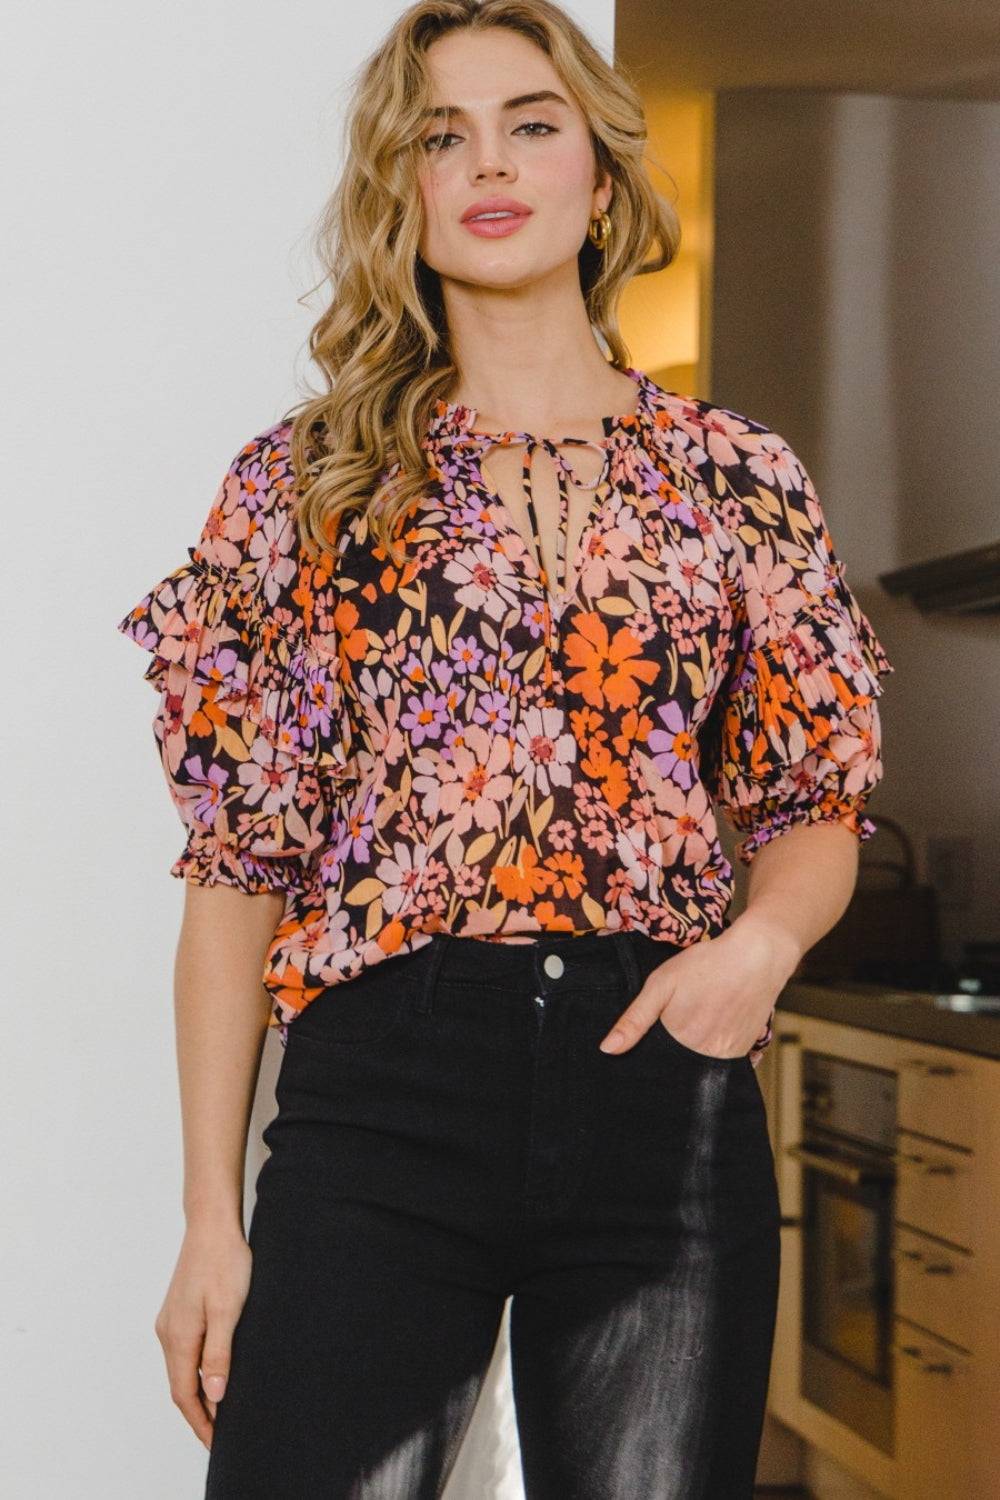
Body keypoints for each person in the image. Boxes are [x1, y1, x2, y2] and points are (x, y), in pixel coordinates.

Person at [115, 3, 894, 1496]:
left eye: (531, 122)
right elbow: (238, 868)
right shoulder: (306, 486)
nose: (489, 161)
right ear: (397, 191)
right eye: (438, 132)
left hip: (660, 1080)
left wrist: (758, 953)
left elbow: (812, 796)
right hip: (381, 1090)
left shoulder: (735, 477)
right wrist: (212, 1219)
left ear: (599, 178)